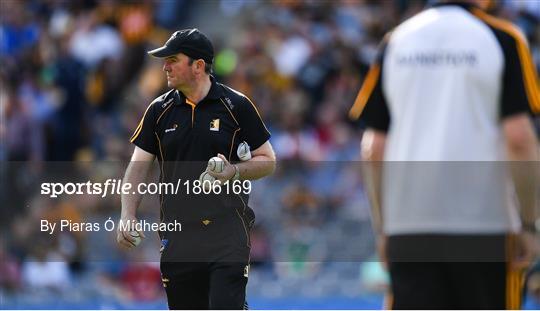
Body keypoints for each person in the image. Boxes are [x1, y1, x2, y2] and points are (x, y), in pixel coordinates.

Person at [349, 0, 539, 309]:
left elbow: (374, 147)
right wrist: (529, 224)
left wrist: (385, 229)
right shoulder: (503, 38)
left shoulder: (397, 40)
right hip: (485, 226)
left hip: (409, 227)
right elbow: (519, 138)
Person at [116, 28, 276, 309]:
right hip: (177, 235)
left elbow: (268, 160)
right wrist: (127, 214)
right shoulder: (158, 110)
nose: (165, 66)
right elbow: (138, 168)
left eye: (173, 59)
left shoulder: (236, 105)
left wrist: (233, 172)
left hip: (227, 230)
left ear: (198, 66)